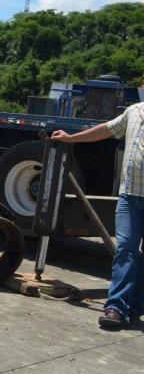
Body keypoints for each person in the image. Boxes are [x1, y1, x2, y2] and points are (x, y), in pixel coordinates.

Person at [52, 106, 144, 328]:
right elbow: (106, 129)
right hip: (130, 196)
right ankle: (116, 308)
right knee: (126, 248)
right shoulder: (134, 111)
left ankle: (134, 307)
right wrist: (71, 139)